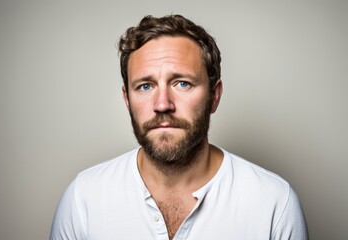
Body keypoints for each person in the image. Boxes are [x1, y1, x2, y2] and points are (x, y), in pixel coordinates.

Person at [50, 14, 308, 240]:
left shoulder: (274, 203)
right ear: (127, 100)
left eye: (182, 83)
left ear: (214, 96)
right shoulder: (83, 199)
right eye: (145, 86)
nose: (162, 104)